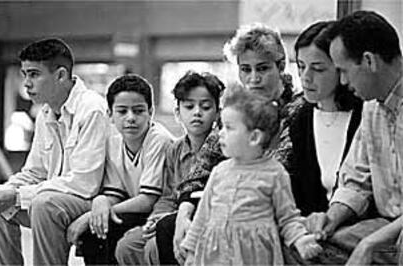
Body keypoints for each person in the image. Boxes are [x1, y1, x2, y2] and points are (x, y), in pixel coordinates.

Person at [156, 22, 305, 264]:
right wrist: (184, 210)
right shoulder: (236, 106)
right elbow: (203, 165)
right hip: (225, 199)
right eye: (245, 69)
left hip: (272, 206)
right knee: (170, 227)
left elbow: (281, 167)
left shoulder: (296, 109)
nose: (253, 78)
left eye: (262, 68)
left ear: (280, 67)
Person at [0, 38, 108, 265]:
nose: (26, 83)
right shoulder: (46, 112)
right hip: (55, 198)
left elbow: (85, 184)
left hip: (93, 200)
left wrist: (16, 196)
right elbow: (34, 172)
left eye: (34, 74)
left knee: (43, 204)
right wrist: (3, 191)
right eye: (24, 74)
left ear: (61, 75)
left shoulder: (92, 109)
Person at [180, 86, 322, 265]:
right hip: (215, 254)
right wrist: (192, 250)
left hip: (255, 255)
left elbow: (287, 218)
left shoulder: (275, 174)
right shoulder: (219, 171)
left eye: (229, 128)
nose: (220, 134)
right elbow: (203, 216)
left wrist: (300, 239)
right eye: (221, 127)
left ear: (254, 137)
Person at [305, 10, 403, 265]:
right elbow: (356, 181)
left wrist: (371, 243)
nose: (343, 81)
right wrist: (331, 217)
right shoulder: (371, 107)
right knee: (307, 245)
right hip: (386, 227)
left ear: (369, 61)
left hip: (390, 233)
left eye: (344, 70)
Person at [115, 71, 225, 265]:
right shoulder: (174, 149)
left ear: (217, 112)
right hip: (168, 217)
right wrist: (154, 219)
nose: (197, 112)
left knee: (153, 247)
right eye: (189, 107)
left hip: (201, 220)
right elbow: (167, 196)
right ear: (177, 113)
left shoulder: (223, 147)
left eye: (205, 107)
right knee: (128, 245)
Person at [66, 74, 174, 265]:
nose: (130, 118)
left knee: (101, 224)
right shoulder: (112, 140)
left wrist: (94, 213)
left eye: (138, 111)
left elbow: (148, 200)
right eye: (122, 111)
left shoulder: (160, 139)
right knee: (94, 233)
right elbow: (114, 192)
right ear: (110, 114)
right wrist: (101, 202)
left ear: (151, 111)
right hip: (134, 209)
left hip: (158, 214)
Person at [289, 21, 363, 217]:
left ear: (340, 68)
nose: (306, 77)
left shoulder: (364, 116)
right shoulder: (300, 119)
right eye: (301, 66)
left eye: (318, 69)